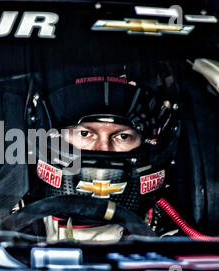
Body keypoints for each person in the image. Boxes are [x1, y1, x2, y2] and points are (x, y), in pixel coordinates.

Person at [24, 65, 181, 242]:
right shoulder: (8, 226)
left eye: (123, 136)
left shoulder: (182, 238)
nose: (103, 149)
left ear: (149, 142)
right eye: (85, 133)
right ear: (53, 136)